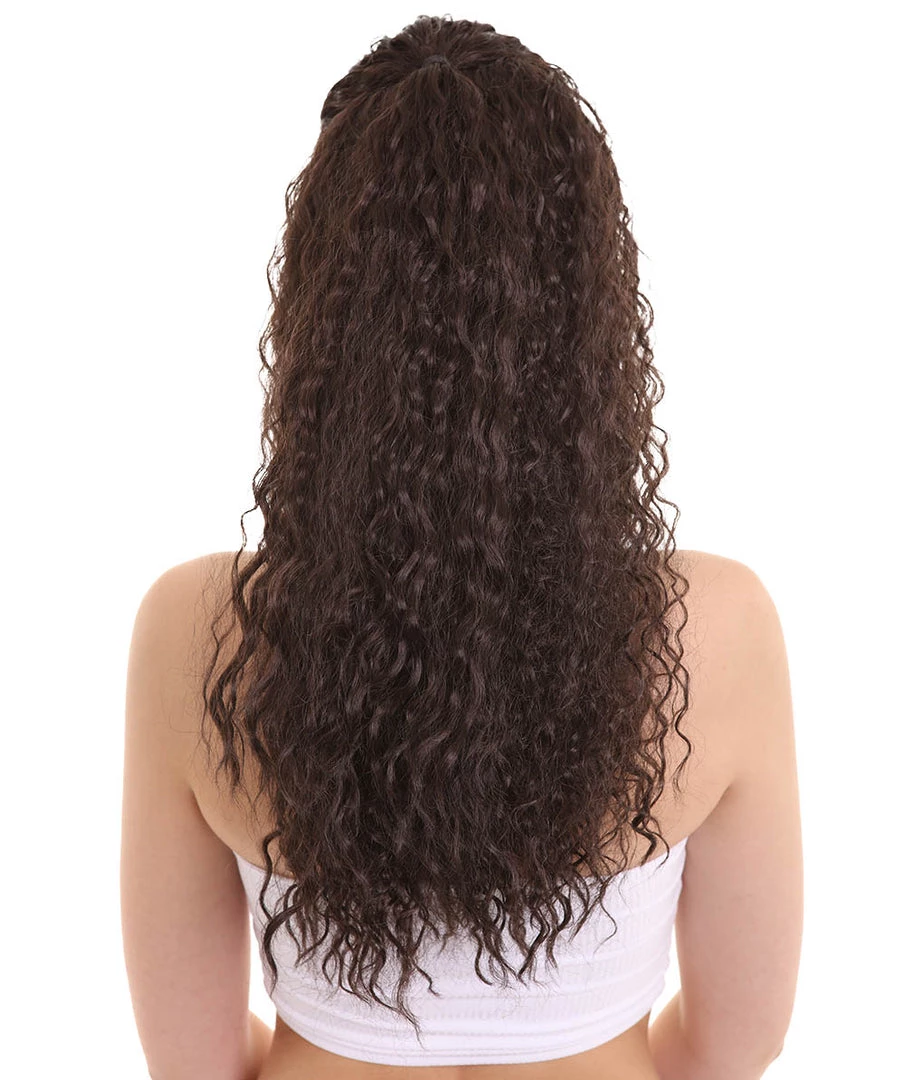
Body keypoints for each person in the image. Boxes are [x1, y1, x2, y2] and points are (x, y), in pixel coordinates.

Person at [121, 15, 803, 1080]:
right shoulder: (712, 630)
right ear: (585, 315)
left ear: (325, 310)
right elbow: (731, 1042)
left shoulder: (198, 635)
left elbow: (194, 1063)